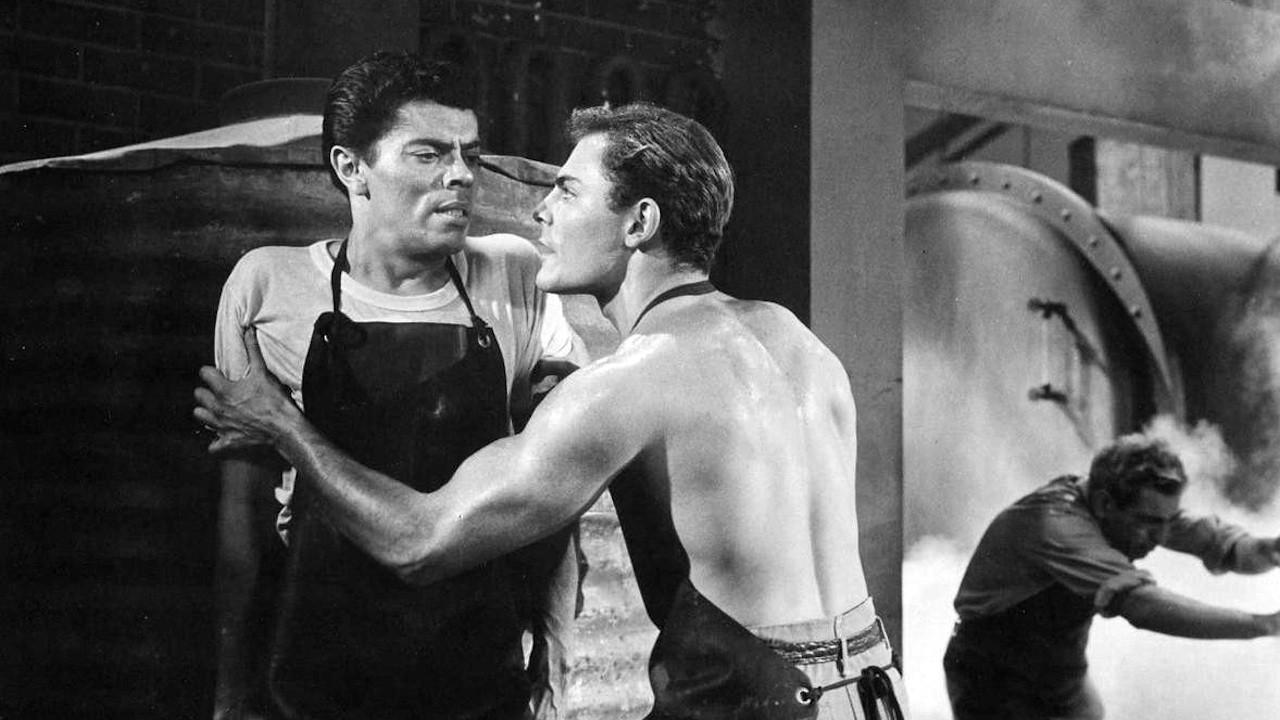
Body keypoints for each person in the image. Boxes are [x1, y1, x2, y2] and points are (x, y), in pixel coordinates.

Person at [196, 102, 909, 720]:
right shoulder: (796, 341)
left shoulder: (630, 380)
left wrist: (282, 426)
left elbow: (421, 542)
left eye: (567, 191)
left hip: (754, 702)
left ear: (639, 223)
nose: (541, 211)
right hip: (873, 689)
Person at [209, 51, 585, 720]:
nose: (461, 175)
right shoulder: (268, 286)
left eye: (470, 154)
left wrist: (556, 655)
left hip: (478, 668)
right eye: (428, 154)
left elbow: (558, 494)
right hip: (323, 669)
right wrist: (232, 693)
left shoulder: (515, 276)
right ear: (351, 167)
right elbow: (244, 506)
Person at [942, 435, 1280, 720]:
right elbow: (1143, 606)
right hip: (993, 677)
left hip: (1062, 670)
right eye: (1150, 524)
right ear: (1105, 504)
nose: (1160, 536)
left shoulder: (1132, 506)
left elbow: (1224, 546)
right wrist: (1265, 625)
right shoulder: (1057, 524)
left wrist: (1270, 550)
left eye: (1168, 521)